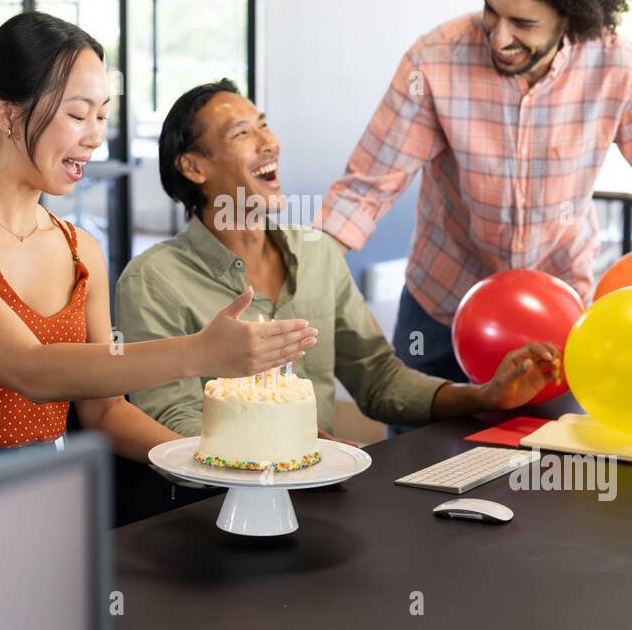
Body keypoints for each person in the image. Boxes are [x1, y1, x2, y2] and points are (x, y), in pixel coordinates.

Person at [314, 0, 632, 383]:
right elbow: (366, 187)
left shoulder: (620, 70)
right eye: (491, 11)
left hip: (558, 309)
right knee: (417, 451)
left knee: (547, 452)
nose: (499, 37)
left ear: (569, 19)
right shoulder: (435, 60)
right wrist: (304, 278)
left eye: (524, 24)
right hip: (442, 304)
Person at [0, 12, 318, 460]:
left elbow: (106, 413)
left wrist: (224, 463)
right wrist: (199, 353)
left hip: (46, 494)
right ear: (6, 112)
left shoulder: (79, 251)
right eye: (77, 114)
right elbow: (29, 369)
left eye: (102, 116)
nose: (95, 138)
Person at [114, 79, 558, 438]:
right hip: (213, 509)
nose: (267, 142)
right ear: (194, 168)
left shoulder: (317, 253)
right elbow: (175, 419)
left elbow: (378, 379)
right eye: (242, 133)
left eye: (263, 124)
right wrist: (289, 446)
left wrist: (485, 396)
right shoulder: (153, 281)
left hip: (315, 497)